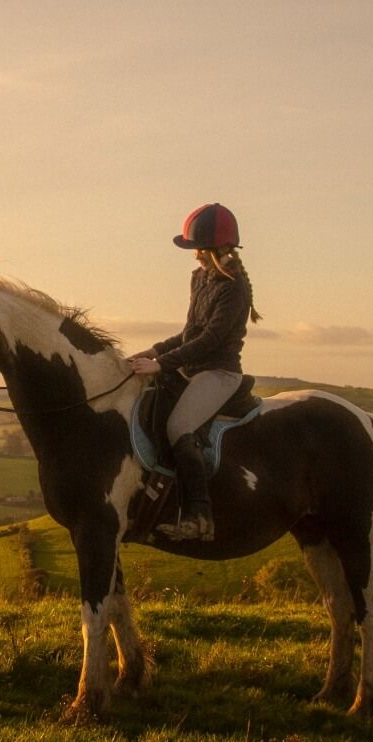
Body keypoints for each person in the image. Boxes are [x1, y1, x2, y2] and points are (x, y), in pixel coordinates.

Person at [128, 203, 262, 540]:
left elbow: (211, 339)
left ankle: (199, 518)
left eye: (198, 249)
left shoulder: (234, 288)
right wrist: (156, 350)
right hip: (192, 368)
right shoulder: (200, 278)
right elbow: (190, 332)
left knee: (179, 426)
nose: (195, 256)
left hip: (219, 373)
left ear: (218, 249)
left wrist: (161, 364)